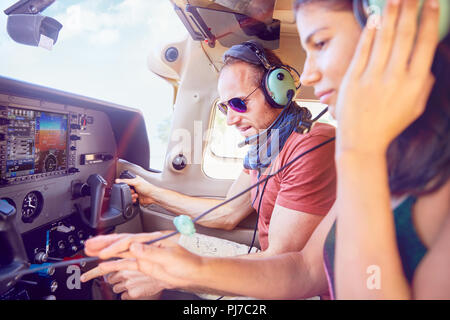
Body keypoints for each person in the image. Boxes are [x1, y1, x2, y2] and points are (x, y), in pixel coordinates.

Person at [82, 0, 449, 299]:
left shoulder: (322, 145)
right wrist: (180, 250)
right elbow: (295, 262)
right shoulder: (268, 147)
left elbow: (292, 266)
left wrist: (359, 152)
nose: (310, 75)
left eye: (321, 43)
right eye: (225, 108)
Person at [81, 40, 337, 299]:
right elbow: (227, 213)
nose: (231, 119)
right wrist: (154, 193)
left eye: (239, 103)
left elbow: (286, 269)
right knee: (154, 246)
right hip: (274, 266)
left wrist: (170, 275)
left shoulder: (311, 145)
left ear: (278, 90)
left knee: (156, 267)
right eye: (225, 107)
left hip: (299, 287)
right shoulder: (265, 148)